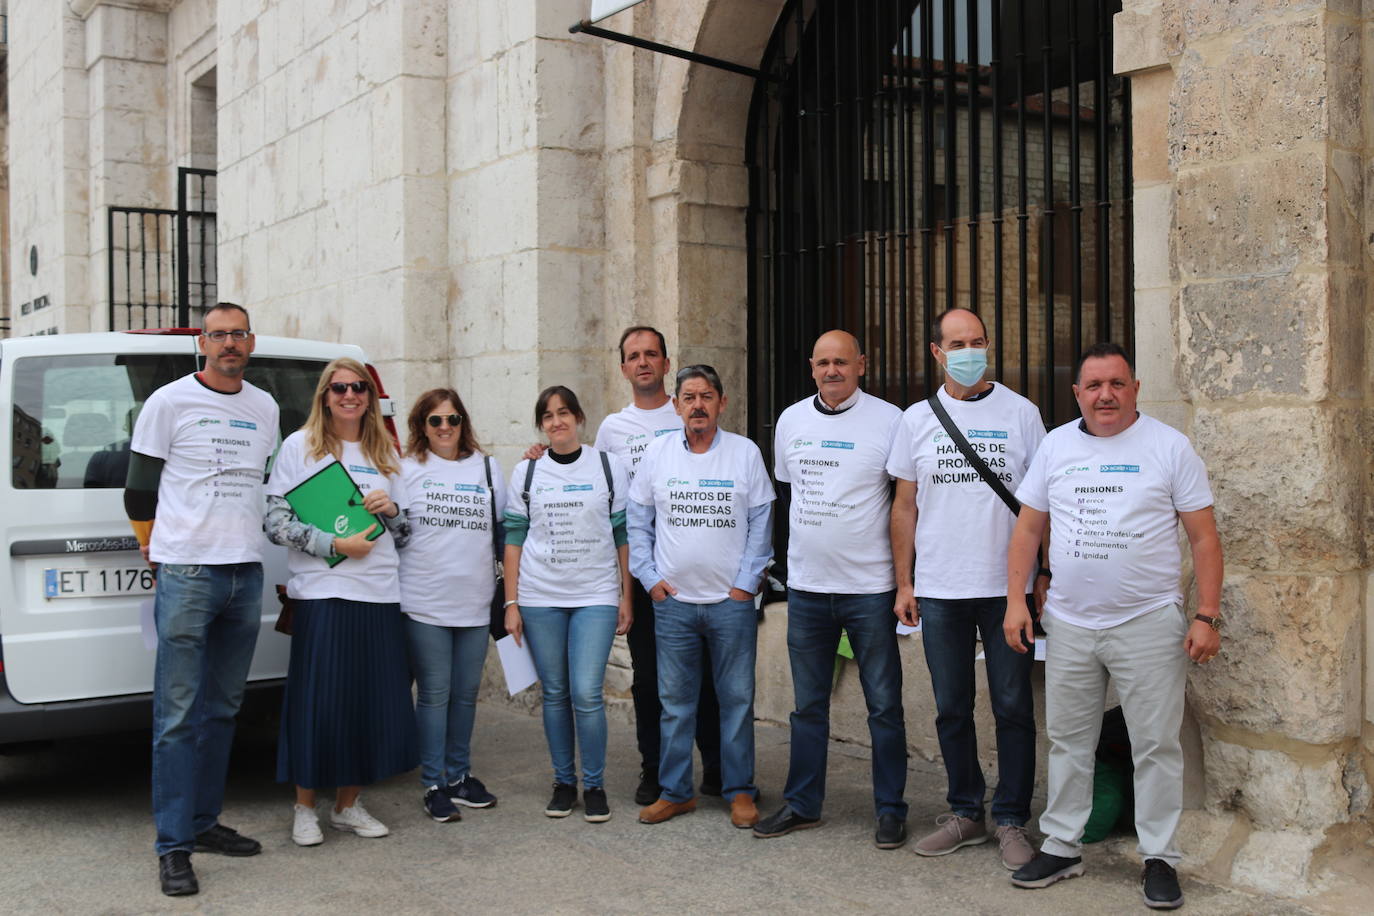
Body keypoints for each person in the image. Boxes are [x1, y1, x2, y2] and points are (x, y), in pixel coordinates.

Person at [1003, 342, 1222, 910]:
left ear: (1135, 390)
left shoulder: (1168, 447)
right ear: (1077, 393)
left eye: (1117, 384)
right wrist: (1016, 602)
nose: (1106, 395)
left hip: (1148, 621)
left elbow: (1203, 536)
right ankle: (1062, 846)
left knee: (1155, 745)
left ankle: (1160, 857)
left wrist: (1206, 615)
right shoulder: (1055, 446)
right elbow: (1028, 531)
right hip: (1071, 622)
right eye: (1094, 385)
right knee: (1069, 741)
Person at [126, 303, 280, 896]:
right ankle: (173, 847)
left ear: (250, 341)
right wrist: (152, 544)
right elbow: (140, 488)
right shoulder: (168, 402)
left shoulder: (264, 406)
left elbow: (264, 480)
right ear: (202, 343)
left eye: (237, 334)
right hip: (189, 571)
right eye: (218, 336)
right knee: (177, 716)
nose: (229, 344)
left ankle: (205, 821)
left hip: (245, 569)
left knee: (222, 709)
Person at [887, 308, 1046, 870]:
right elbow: (904, 506)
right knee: (951, 707)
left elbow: (1040, 505)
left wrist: (1039, 578)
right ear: (937, 352)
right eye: (958, 343)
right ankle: (965, 813)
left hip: (1007, 590)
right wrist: (904, 582)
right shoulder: (916, 420)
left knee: (1012, 706)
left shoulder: (1023, 414)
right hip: (940, 588)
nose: (969, 351)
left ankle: (1010, 820)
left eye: (977, 341)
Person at [753, 330, 909, 849]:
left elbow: (904, 504)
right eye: (823, 362)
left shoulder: (890, 421)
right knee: (807, 705)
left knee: (883, 705)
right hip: (808, 588)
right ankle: (803, 804)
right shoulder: (791, 420)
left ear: (862, 364)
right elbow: (789, 490)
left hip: (869, 588)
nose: (832, 370)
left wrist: (904, 582)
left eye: (842, 361)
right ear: (812, 368)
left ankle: (890, 809)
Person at [265, 357, 418, 846]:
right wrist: (335, 546)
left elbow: (408, 532)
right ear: (324, 397)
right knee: (319, 704)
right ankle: (305, 808)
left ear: (370, 397)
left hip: (379, 594)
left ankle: (348, 806)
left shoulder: (386, 452)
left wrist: (391, 509)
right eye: (339, 389)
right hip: (325, 593)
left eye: (359, 388)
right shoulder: (301, 447)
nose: (350, 396)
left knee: (367, 704)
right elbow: (275, 523)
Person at [629, 364, 775, 830]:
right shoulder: (657, 454)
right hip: (673, 605)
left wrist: (745, 586)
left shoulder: (744, 453)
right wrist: (650, 579)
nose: (697, 405)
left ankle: (739, 791)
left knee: (735, 699)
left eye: (706, 396)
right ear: (676, 405)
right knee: (675, 702)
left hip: (730, 605)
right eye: (689, 397)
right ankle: (675, 792)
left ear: (722, 403)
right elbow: (638, 521)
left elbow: (761, 523)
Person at [503, 386, 633, 822]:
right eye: (548, 415)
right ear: (541, 424)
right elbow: (515, 539)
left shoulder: (608, 467)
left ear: (579, 417)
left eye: (564, 413)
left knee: (586, 693)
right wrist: (512, 602)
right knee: (555, 693)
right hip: (541, 597)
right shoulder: (526, 472)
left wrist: (625, 596)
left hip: (595, 595)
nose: (556, 421)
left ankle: (594, 785)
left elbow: (622, 535)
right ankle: (564, 782)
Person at [396, 388, 503, 823]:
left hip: (475, 601)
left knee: (466, 695)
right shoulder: (406, 469)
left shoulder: (489, 469)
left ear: (464, 423)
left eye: (453, 420)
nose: (445, 428)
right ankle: (433, 783)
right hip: (425, 601)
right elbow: (396, 532)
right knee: (434, 695)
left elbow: (506, 529)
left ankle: (460, 776)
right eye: (435, 421)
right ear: (421, 426)